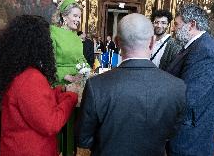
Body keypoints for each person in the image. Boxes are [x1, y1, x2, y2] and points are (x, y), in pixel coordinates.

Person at [76, 13, 186, 156]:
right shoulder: (177, 87)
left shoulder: (96, 85)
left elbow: (83, 139)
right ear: (152, 42)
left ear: (116, 42)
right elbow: (172, 133)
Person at [0, 15, 78, 156]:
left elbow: (35, 104)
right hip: (31, 149)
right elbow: (51, 124)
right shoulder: (30, 78)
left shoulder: (17, 70)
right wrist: (71, 96)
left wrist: (60, 91)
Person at [166, 4, 214, 156]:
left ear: (191, 25)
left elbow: (189, 97)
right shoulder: (198, 46)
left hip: (192, 132)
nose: (173, 29)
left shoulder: (204, 50)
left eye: (176, 24)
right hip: (192, 127)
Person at [50, 0, 87, 156]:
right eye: (75, 16)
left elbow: (82, 60)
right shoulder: (53, 32)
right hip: (58, 86)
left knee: (72, 126)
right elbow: (47, 61)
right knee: (59, 125)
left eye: (79, 17)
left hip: (76, 87)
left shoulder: (77, 38)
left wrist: (85, 71)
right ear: (64, 16)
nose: (78, 20)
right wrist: (65, 76)